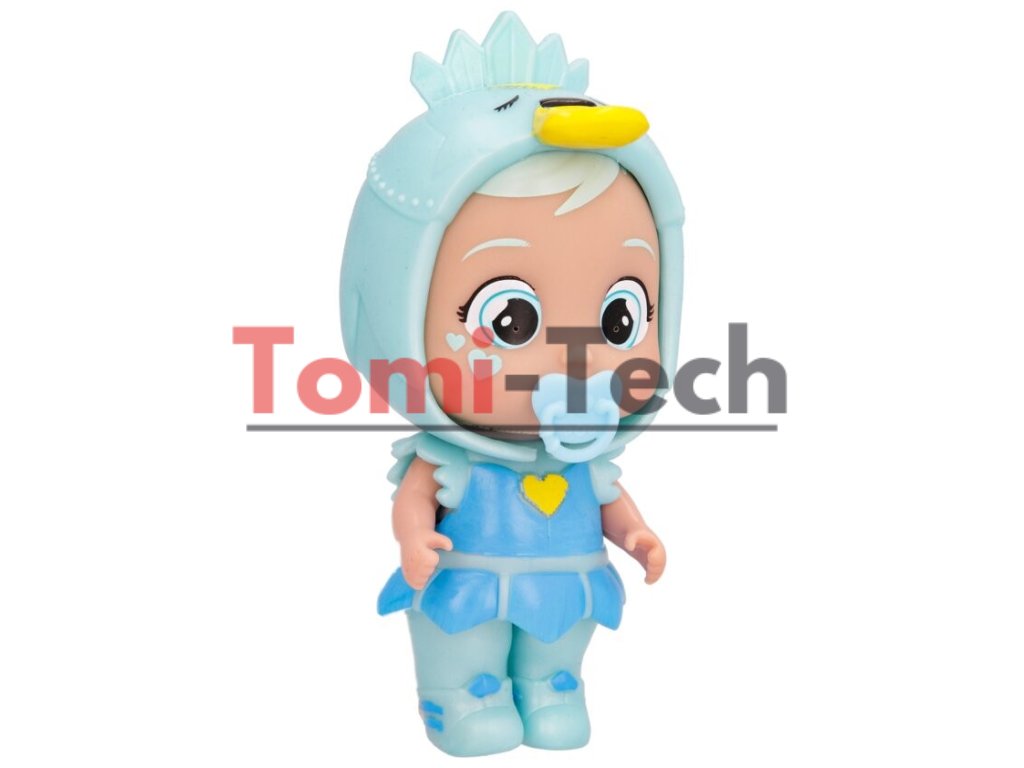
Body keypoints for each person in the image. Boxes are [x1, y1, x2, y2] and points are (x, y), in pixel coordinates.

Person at [340, 12, 684, 756]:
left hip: (566, 585)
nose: (578, 357)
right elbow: (415, 498)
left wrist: (636, 535)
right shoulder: (452, 455)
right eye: (512, 320)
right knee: (467, 653)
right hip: (467, 583)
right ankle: (460, 698)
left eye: (621, 318)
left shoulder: (586, 458)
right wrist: (414, 537)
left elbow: (610, 502)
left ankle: (553, 688)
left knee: (559, 650)